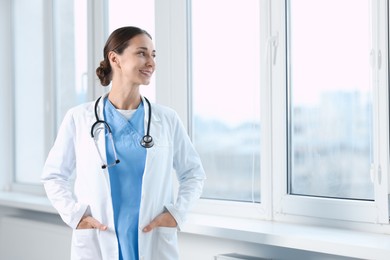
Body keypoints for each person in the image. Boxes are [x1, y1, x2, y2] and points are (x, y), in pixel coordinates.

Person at [41, 26, 206, 260]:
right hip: (98, 238)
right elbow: (53, 175)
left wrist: (177, 213)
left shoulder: (166, 119)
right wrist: (75, 216)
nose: (151, 62)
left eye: (153, 55)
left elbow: (194, 174)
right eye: (142, 53)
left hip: (152, 239)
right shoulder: (79, 118)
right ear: (115, 58)